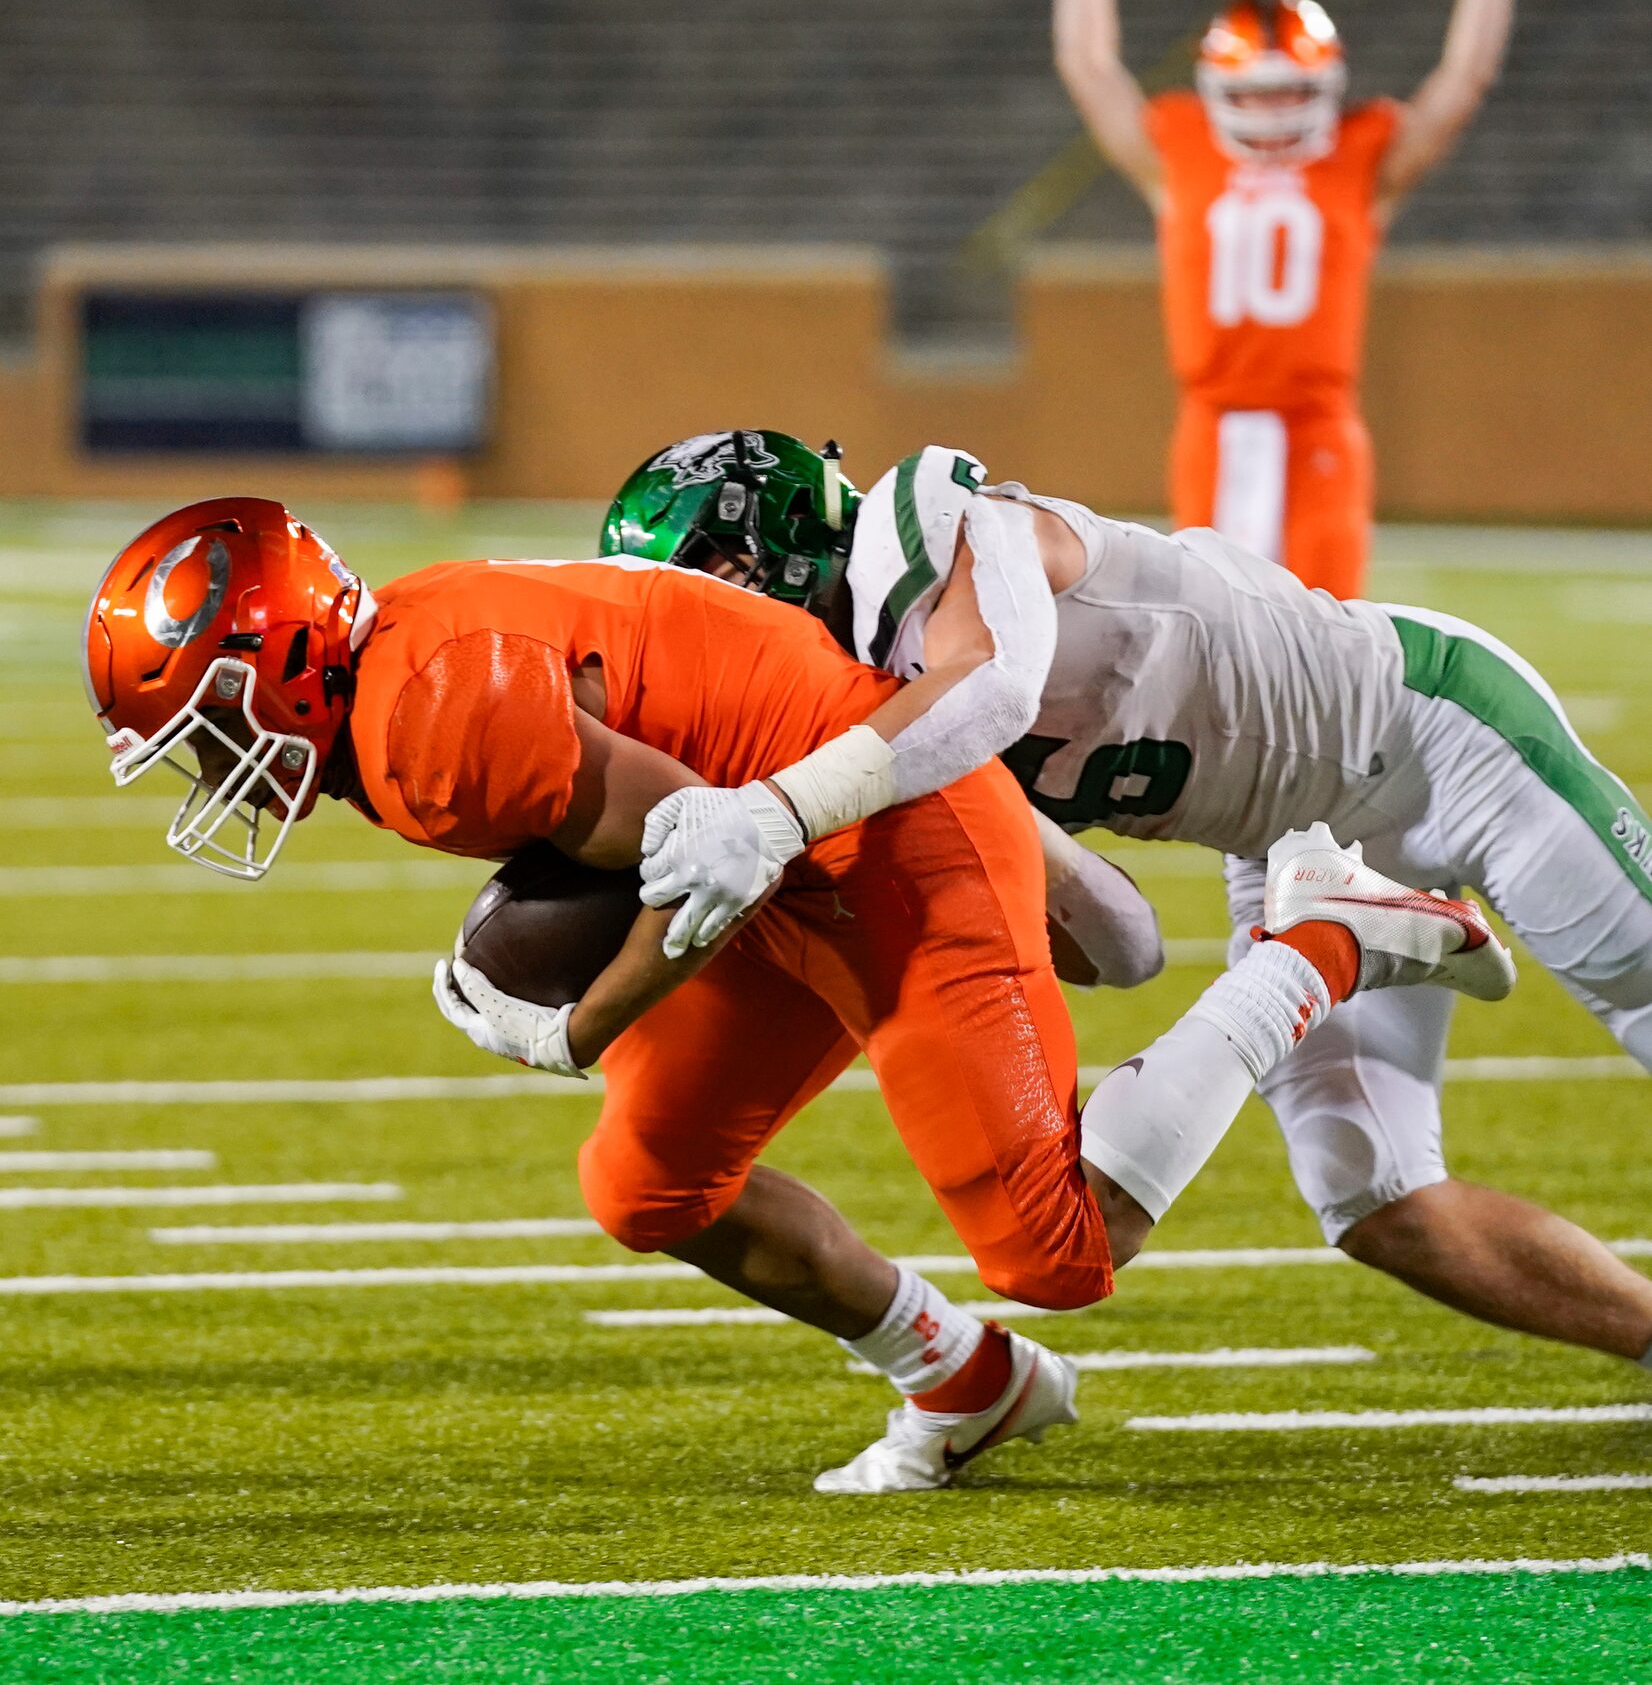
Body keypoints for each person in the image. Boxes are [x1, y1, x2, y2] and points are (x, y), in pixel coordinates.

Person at [82, 495, 1505, 1494]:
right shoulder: (405, 671)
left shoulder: (428, 723)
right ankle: (960, 1379)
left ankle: (1317, 939)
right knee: (650, 1182)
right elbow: (690, 843)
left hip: (877, 834)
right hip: (783, 846)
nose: (215, 771)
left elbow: (712, 855)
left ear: (276, 661)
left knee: (1057, 1245)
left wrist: (577, 1024)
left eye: (206, 727)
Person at [607, 431, 1652, 1375]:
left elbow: (993, 689)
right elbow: (1125, 942)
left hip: (1440, 737)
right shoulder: (871, 724)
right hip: (1288, 845)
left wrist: (785, 811)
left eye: (702, 593)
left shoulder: (921, 527)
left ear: (766, 550)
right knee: (1374, 1197)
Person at [1052, 0, 1530, 597]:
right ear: (1216, 91)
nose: (1273, 110)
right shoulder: (1181, 156)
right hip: (1212, 423)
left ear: (1325, 88)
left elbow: (1463, 80)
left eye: (1290, 91)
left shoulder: (1360, 160)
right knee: (1208, 641)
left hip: (1317, 430)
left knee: (1328, 641)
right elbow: (1088, 63)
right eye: (1254, 92)